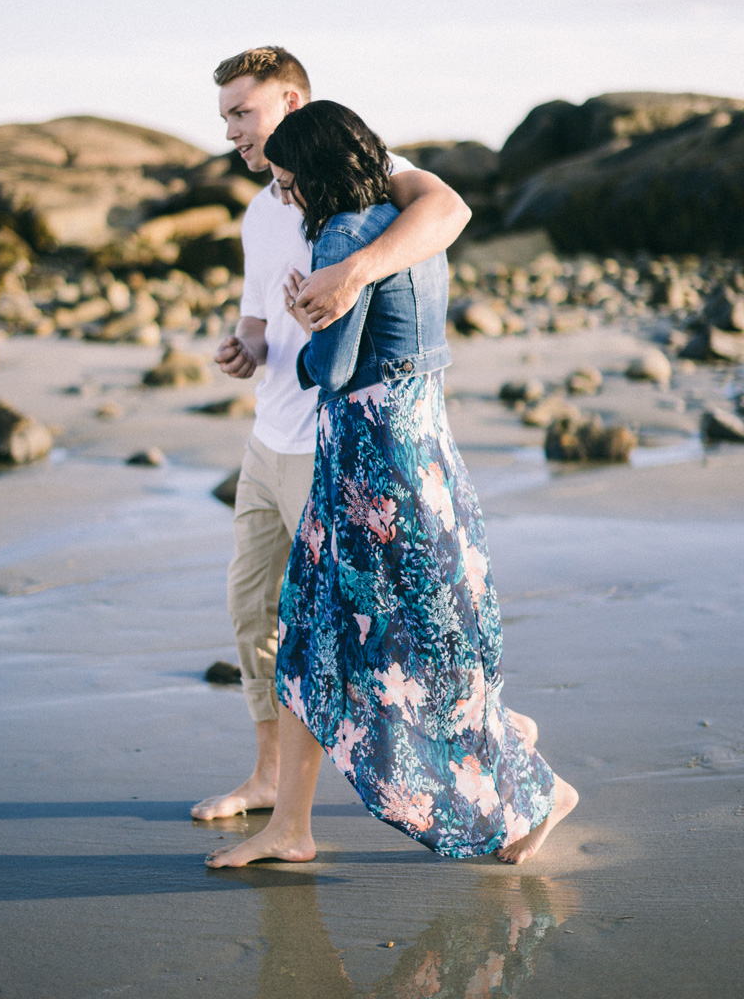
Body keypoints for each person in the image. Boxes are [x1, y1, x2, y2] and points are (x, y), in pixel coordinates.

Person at [209, 101, 578, 867]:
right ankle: (520, 788)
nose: (287, 198)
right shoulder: (413, 235)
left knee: (319, 645)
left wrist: (301, 330)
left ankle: (527, 791)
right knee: (434, 640)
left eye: (289, 183)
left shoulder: (345, 235)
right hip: (428, 460)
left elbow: (333, 370)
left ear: (313, 174)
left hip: (368, 473)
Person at [192, 48, 472, 821]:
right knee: (253, 614)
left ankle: (490, 745)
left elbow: (449, 213)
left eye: (241, 114)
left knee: (352, 632)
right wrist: (244, 348)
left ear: (289, 101)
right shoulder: (258, 212)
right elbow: (258, 324)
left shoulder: (377, 180)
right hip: (267, 443)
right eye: (224, 119)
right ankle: (268, 779)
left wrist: (352, 274)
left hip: (336, 448)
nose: (231, 135)